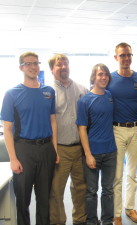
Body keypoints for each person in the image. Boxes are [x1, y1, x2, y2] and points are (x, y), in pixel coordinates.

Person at [1, 52, 59, 225]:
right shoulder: (12, 93)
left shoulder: (48, 92)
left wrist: (54, 150)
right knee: (23, 199)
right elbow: (8, 128)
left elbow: (53, 121)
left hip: (46, 149)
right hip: (24, 150)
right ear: (21, 68)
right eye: (28, 64)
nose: (33, 67)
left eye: (36, 63)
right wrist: (13, 159)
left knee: (44, 198)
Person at [107, 42, 137, 225]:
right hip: (116, 130)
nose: (126, 58)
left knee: (132, 173)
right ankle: (116, 213)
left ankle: (129, 207)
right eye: (122, 55)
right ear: (116, 57)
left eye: (129, 55)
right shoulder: (108, 78)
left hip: (136, 129)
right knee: (117, 174)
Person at [48, 54, 88, 225]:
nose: (63, 67)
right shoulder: (47, 92)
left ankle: (80, 220)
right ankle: (58, 222)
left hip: (80, 148)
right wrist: (53, 150)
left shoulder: (81, 89)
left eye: (66, 63)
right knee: (56, 190)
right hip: (60, 149)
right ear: (52, 69)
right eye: (59, 64)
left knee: (81, 188)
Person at [76, 64, 117, 225]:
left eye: (106, 74)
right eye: (100, 74)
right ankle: (92, 221)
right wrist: (88, 154)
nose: (104, 77)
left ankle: (107, 221)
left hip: (110, 152)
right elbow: (82, 128)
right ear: (93, 77)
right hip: (93, 152)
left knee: (108, 191)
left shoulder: (110, 96)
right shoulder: (85, 100)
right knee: (91, 192)